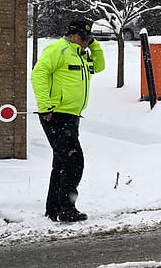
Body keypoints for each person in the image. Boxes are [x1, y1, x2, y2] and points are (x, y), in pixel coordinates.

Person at [30, 17, 105, 222]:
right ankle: (66, 208)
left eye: (88, 37)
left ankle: (53, 208)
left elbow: (99, 67)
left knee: (62, 162)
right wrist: (45, 106)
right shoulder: (58, 50)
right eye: (83, 36)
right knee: (74, 161)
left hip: (72, 115)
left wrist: (94, 46)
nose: (85, 41)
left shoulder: (82, 54)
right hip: (55, 114)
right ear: (72, 34)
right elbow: (38, 74)